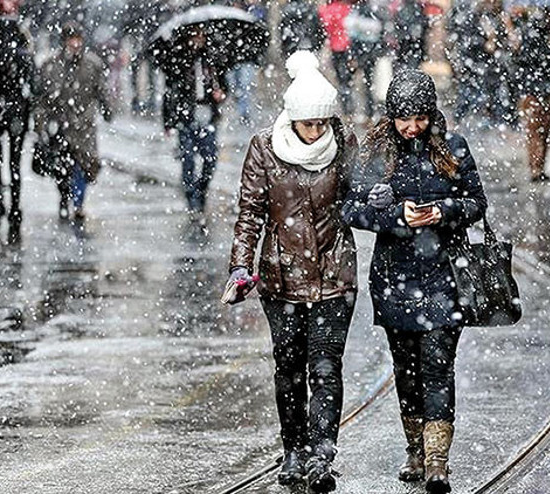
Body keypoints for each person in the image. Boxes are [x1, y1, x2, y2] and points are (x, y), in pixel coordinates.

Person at [343, 69, 487, 493]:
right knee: (406, 371)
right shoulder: (375, 155)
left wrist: (442, 211)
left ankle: (438, 461)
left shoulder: (454, 148)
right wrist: (395, 217)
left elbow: (476, 201)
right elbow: (351, 210)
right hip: (395, 280)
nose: (412, 126)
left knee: (439, 368)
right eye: (404, 118)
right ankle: (415, 450)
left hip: (445, 278)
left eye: (420, 117)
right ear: (391, 116)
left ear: (431, 113)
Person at [228, 51, 358, 492]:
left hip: (334, 276)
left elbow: (359, 197)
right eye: (310, 123)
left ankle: (322, 452)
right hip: (280, 279)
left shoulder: (344, 144)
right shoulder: (265, 147)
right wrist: (241, 267)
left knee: (325, 367)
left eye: (323, 123)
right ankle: (294, 449)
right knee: (288, 367)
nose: (317, 131)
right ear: (292, 118)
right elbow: (250, 214)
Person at [37, 21, 112, 222]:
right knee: (63, 167)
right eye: (71, 39)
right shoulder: (51, 66)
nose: (75, 44)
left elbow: (101, 90)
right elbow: (43, 99)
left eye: (78, 39)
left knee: (85, 165)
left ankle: (78, 204)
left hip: (84, 125)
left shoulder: (92, 64)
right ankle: (64, 199)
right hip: (60, 125)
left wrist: (107, 109)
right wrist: (41, 125)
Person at [161, 26, 227, 214]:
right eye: (195, 35)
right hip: (186, 116)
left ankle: (202, 189)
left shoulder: (212, 60)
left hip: (207, 114)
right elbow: (169, 93)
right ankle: (191, 196)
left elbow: (223, 85)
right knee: (188, 158)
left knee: (210, 158)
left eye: (202, 35)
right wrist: (168, 121)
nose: (199, 39)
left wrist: (220, 93)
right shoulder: (179, 60)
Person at [512, 9, 550, 182]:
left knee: (545, 133)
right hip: (535, 93)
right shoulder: (533, 35)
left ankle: (539, 167)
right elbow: (528, 62)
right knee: (535, 133)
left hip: (548, 94)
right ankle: (535, 168)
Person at [0, 2, 34, 242]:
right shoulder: (21, 36)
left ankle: (4, 203)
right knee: (14, 164)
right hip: (16, 110)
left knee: (4, 162)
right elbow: (31, 79)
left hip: (6, 108)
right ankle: (14, 208)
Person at [318, 0, 355, 117]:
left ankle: (346, 108)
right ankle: (349, 107)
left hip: (336, 47)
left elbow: (326, 27)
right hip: (348, 46)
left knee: (341, 79)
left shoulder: (327, 10)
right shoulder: (347, 8)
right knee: (347, 79)